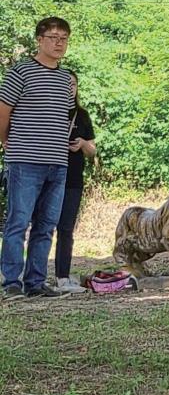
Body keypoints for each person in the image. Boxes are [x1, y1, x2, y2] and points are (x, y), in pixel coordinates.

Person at [0, 17, 75, 300]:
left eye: (64, 38)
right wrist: (6, 141)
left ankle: (35, 281)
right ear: (39, 39)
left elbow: (65, 116)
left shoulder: (65, 78)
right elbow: (3, 111)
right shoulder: (20, 73)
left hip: (58, 162)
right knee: (18, 222)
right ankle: (11, 282)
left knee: (47, 225)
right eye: (53, 37)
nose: (59, 43)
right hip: (25, 159)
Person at [51, 71, 96, 294]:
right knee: (42, 227)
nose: (70, 88)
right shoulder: (48, 111)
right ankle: (34, 276)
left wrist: (82, 144)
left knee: (66, 228)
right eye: (66, 83)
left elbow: (93, 150)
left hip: (73, 180)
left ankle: (62, 276)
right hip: (48, 178)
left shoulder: (82, 115)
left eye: (74, 84)